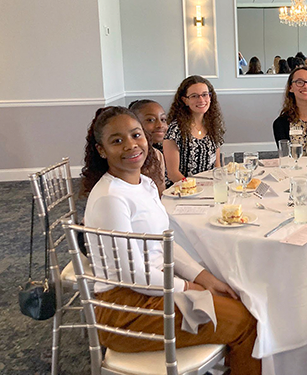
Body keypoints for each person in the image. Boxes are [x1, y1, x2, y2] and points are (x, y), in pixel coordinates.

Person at [80, 107, 261, 375]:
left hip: (153, 290)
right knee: (248, 323)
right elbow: (133, 276)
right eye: (117, 141)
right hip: (125, 310)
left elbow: (165, 242)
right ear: (102, 150)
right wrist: (188, 286)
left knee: (241, 299)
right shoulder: (111, 198)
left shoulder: (144, 184)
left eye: (136, 135)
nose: (131, 145)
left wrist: (204, 279)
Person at [164, 76, 224, 185]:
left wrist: (219, 184)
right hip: (183, 190)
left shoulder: (214, 125)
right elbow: (173, 174)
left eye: (205, 94)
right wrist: (196, 189)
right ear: (185, 100)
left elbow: (217, 165)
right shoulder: (175, 130)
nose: (201, 100)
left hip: (209, 187)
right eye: (194, 96)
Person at [129, 99, 167, 195]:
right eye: (151, 120)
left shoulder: (157, 155)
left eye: (163, 120)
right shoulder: (131, 156)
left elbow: (160, 194)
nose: (160, 125)